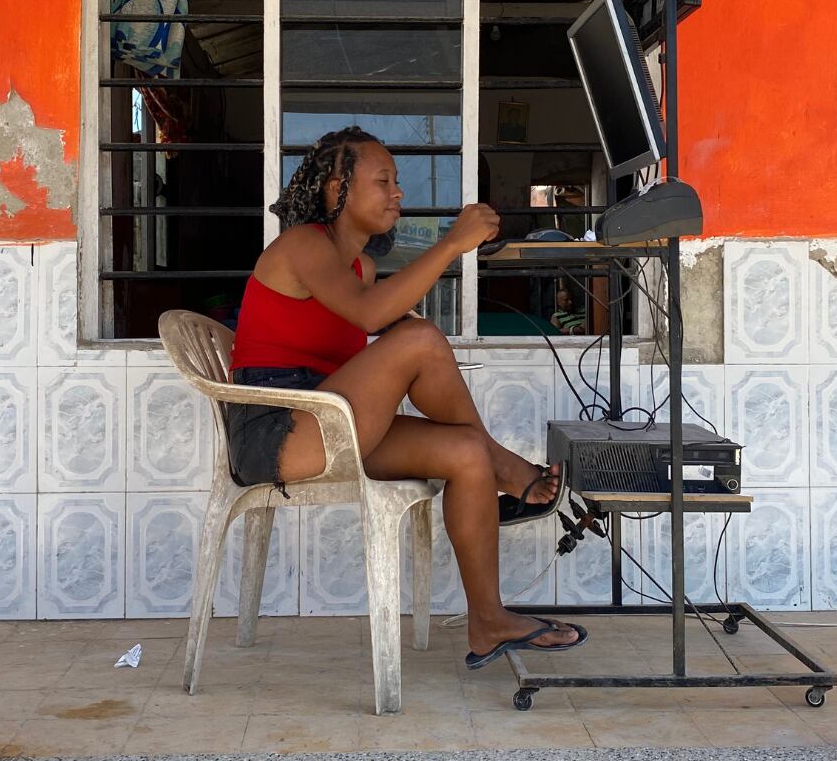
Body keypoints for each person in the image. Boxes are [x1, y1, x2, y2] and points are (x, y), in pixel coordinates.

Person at [224, 126, 585, 669]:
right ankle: (507, 470)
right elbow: (371, 317)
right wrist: (450, 244)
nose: (399, 193)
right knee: (418, 340)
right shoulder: (302, 245)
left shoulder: (359, 269)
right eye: (384, 181)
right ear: (335, 188)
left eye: (397, 182)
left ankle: (487, 621)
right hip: (277, 431)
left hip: (330, 420)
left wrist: (408, 333)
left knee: (462, 451)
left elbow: (371, 322)